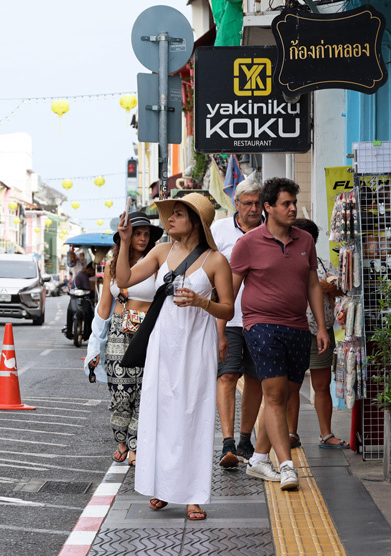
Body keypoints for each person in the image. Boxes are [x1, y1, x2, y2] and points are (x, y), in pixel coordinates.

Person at [117, 193, 234, 521]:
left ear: (196, 222)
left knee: (194, 415)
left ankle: (194, 495)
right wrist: (124, 242)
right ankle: (161, 487)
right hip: (162, 344)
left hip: (196, 346)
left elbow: (228, 308)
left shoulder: (216, 261)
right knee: (160, 414)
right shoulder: (161, 251)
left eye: (179, 214)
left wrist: (202, 302)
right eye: (171, 213)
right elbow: (123, 280)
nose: (170, 219)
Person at [230, 178, 329, 491]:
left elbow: (312, 285)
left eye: (293, 203)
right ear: (268, 207)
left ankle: (259, 458)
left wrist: (321, 326)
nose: (292, 209)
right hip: (261, 326)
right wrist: (220, 330)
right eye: (286, 203)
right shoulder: (248, 243)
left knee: (285, 396)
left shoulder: (305, 241)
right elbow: (229, 292)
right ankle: (287, 466)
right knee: (274, 395)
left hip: (298, 327)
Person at [93, 212, 162, 466]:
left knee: (145, 391)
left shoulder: (155, 262)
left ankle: (135, 445)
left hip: (147, 331)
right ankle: (121, 439)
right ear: (126, 236)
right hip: (118, 332)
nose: (142, 239)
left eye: (146, 234)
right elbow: (104, 307)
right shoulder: (112, 265)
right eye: (137, 234)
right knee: (120, 393)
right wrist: (94, 345)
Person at [210, 177, 264, 468]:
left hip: (261, 319)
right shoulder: (219, 230)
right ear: (236, 203)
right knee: (227, 376)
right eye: (248, 203)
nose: (254, 208)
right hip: (228, 319)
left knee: (255, 379)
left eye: (258, 203)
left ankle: (245, 439)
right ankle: (227, 441)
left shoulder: (271, 230)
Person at [287, 218, 348, 449]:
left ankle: (326, 434)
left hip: (319, 333)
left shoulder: (322, 265)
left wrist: (328, 286)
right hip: (291, 331)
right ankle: (291, 433)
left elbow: (342, 289)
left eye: (309, 240)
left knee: (322, 385)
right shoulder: (283, 263)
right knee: (291, 385)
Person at [65, 263, 96, 340]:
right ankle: (88, 332)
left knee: (70, 311)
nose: (93, 274)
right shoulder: (84, 276)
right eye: (93, 271)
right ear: (89, 270)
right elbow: (88, 290)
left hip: (74, 298)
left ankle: (69, 331)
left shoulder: (80, 274)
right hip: (81, 299)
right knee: (90, 312)